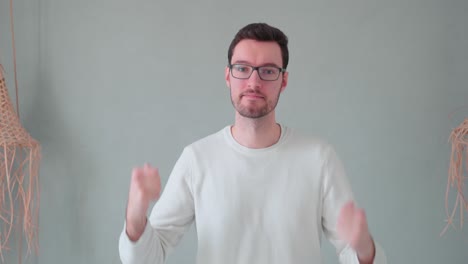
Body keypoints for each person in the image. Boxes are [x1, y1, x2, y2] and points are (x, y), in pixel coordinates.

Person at [119, 22, 387, 264]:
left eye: (268, 71)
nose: (254, 81)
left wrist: (364, 249)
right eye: (242, 69)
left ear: (284, 81)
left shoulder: (318, 158)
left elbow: (354, 253)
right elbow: (146, 259)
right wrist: (135, 214)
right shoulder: (197, 159)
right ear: (228, 76)